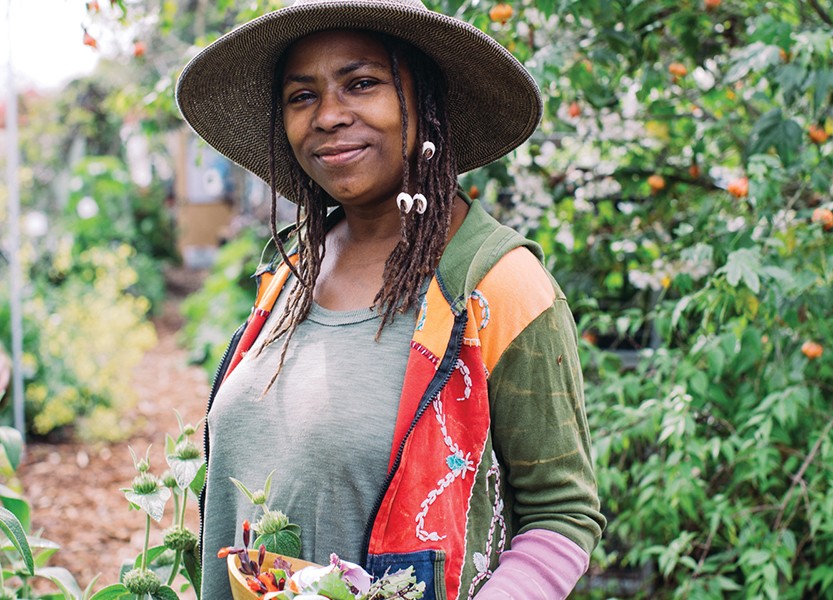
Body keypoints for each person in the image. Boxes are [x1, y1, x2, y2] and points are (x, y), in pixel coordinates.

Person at [176, 1, 606, 598]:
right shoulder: (291, 273)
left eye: (361, 83)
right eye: (302, 96)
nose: (328, 116)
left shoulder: (495, 286)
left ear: (426, 104)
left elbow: (562, 514)